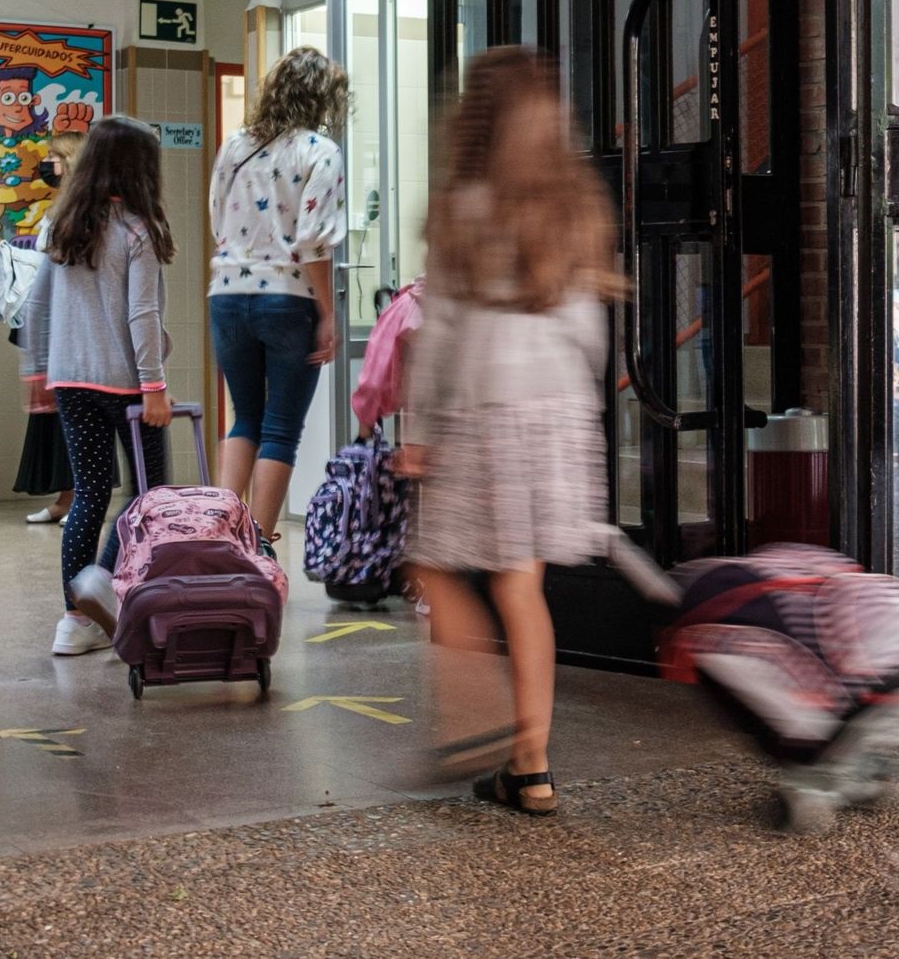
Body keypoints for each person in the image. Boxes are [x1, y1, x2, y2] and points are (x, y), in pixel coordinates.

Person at [396, 48, 621, 816]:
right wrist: (575, 408)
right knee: (521, 586)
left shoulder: (463, 205)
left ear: (476, 120)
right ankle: (532, 765)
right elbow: (590, 331)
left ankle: (478, 718)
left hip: (483, 408)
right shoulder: (576, 205)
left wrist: (419, 428)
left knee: (432, 566)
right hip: (558, 414)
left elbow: (439, 332)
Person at [19, 117, 174, 656]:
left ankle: (73, 621)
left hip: (70, 380)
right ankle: (102, 584)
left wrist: (37, 370)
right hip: (126, 386)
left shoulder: (61, 225)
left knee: (89, 492)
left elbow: (37, 304)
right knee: (149, 491)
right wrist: (154, 385)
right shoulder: (137, 230)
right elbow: (142, 314)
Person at [208, 47, 347, 539]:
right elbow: (313, 242)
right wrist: (327, 313)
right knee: (281, 428)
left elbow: (217, 219)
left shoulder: (235, 145)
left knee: (244, 418)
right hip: (289, 299)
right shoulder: (320, 151)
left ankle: (222, 535)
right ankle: (258, 542)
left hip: (227, 293)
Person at [14, 132, 94, 526]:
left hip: (77, 331)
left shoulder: (86, 215)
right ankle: (66, 498)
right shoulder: (55, 212)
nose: (48, 164)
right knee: (56, 419)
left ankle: (80, 498)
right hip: (55, 326)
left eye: (54, 157)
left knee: (76, 419)